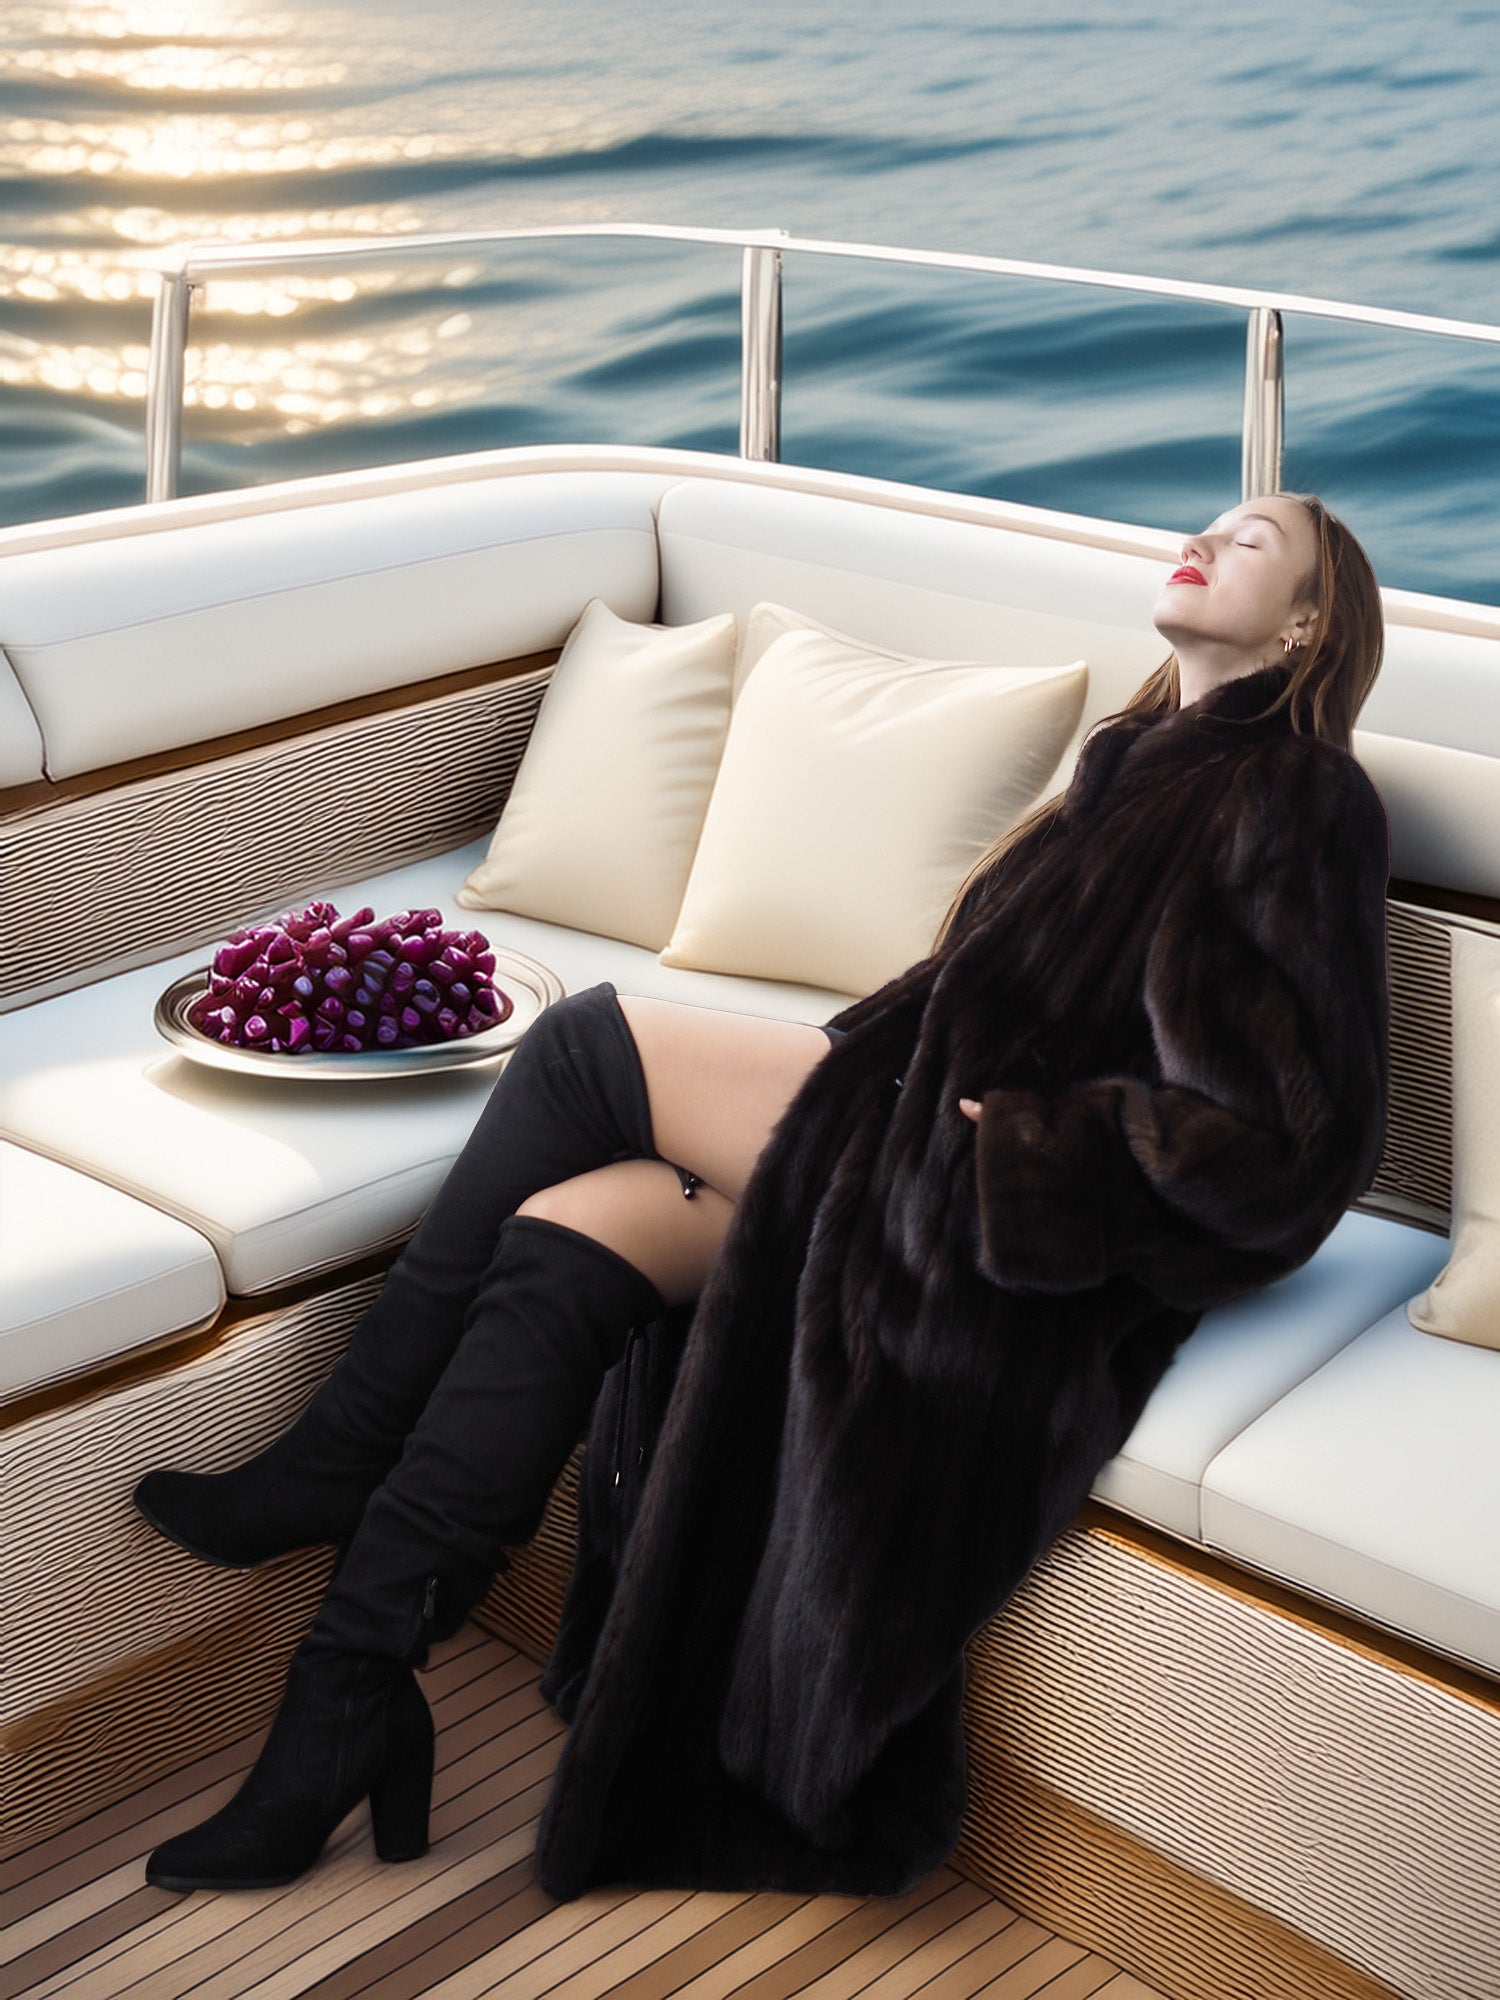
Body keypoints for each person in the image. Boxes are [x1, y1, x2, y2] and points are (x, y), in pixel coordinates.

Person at [134, 491, 1391, 1896]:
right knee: (570, 1237)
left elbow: (1300, 1138)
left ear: (1306, 623)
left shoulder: (1301, 795)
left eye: (1254, 541)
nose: (1206, 538)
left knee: (583, 1044)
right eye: (1207, 522)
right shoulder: (1130, 759)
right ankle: (342, 1704)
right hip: (907, 1146)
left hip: (988, 1199)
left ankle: (337, 1458)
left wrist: (1039, 1150)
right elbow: (960, 1003)